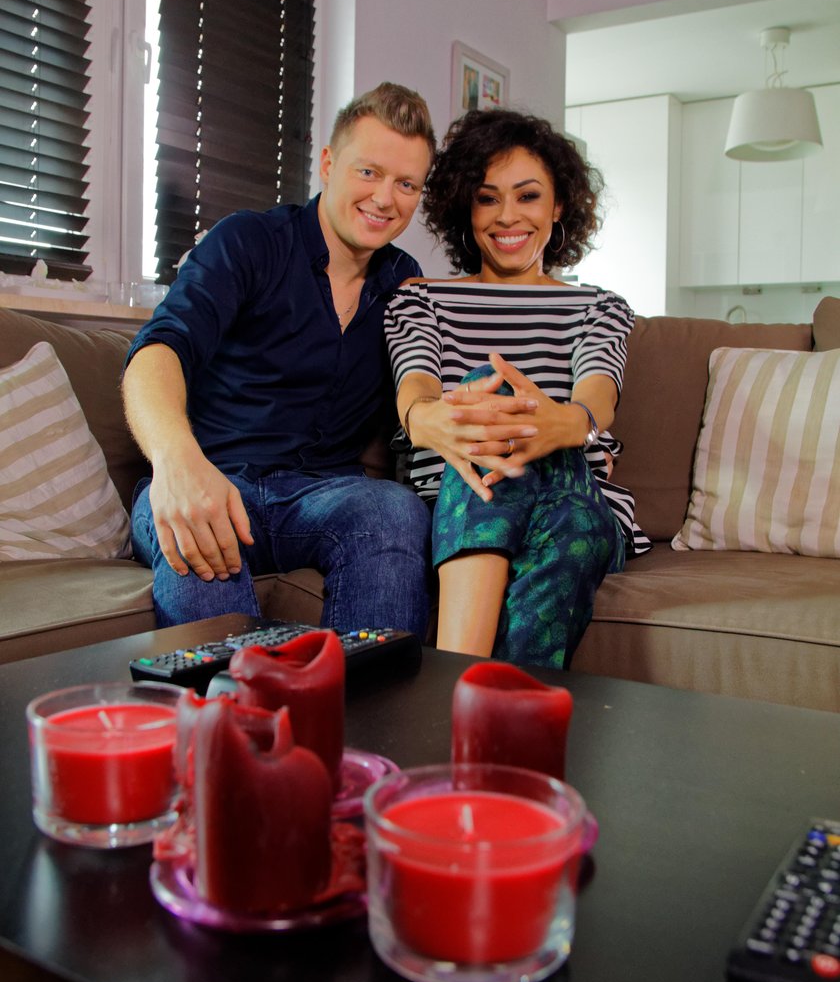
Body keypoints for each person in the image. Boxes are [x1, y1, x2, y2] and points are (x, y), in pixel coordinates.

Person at [123, 83, 435, 638]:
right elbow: (158, 351)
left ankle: (371, 697)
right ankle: (233, 697)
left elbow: (430, 389)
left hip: (325, 497)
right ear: (328, 164)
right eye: (368, 172)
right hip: (215, 477)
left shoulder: (405, 284)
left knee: (393, 509)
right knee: (199, 532)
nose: (385, 199)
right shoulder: (248, 241)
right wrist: (177, 462)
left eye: (406, 184)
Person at [384, 108, 650, 669]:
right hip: (457, 495)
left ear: (558, 206)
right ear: (466, 207)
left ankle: (451, 691)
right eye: (488, 198)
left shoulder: (599, 307)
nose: (508, 216)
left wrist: (567, 423)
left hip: (576, 490)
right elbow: (417, 388)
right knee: (489, 393)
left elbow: (598, 394)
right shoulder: (420, 300)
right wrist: (441, 417)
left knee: (570, 508)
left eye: (528, 196)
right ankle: (491, 709)